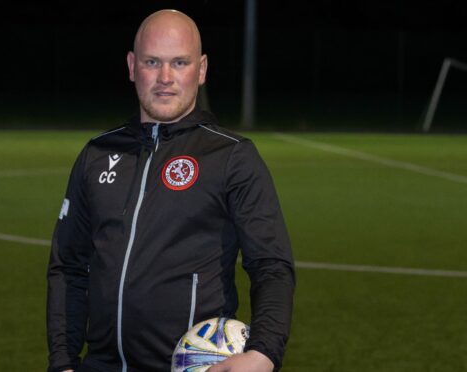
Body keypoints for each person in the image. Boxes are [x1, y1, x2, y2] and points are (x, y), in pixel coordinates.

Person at [47, 9, 295, 372]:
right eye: (152, 62)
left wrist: (264, 353)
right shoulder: (97, 155)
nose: (165, 77)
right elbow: (68, 267)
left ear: (202, 69)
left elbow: (271, 265)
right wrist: (63, 362)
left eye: (180, 62)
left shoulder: (231, 156)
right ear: (132, 66)